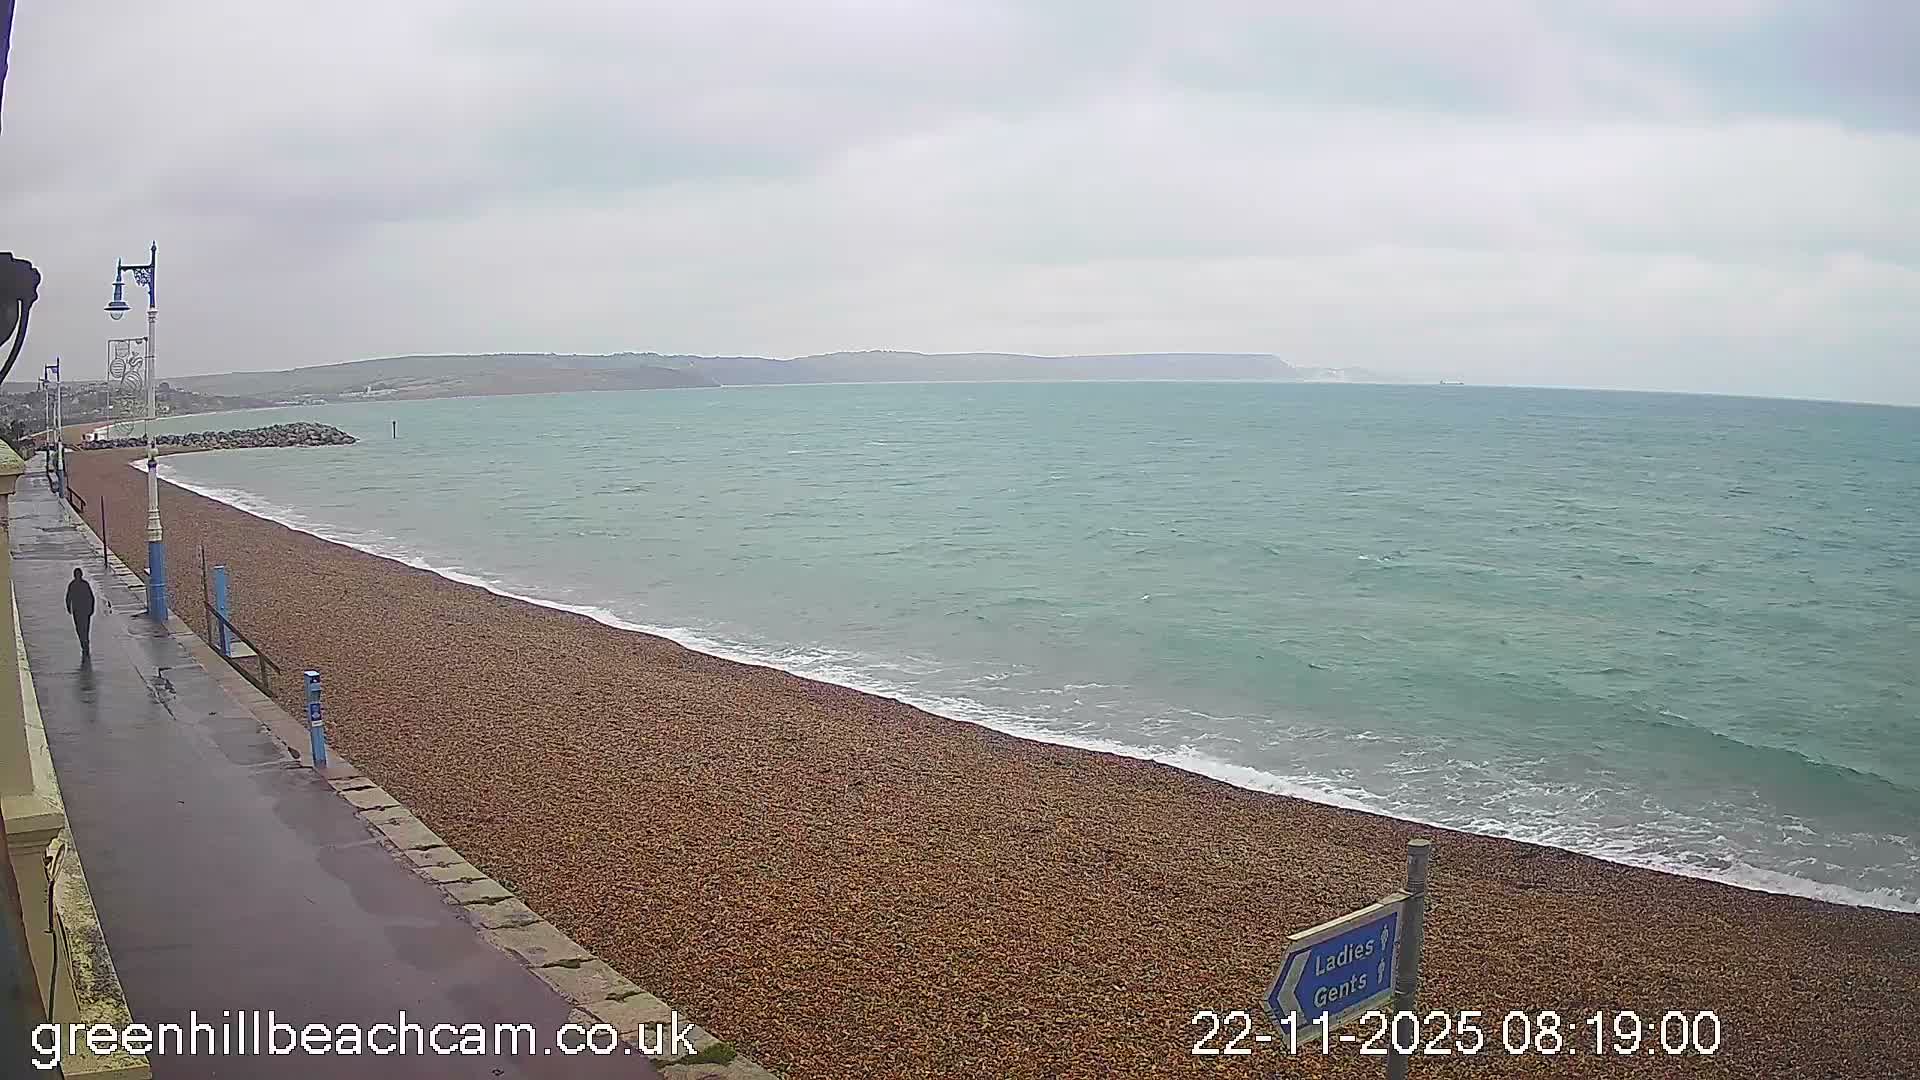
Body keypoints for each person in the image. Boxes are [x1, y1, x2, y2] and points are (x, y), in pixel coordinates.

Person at [65, 568, 94, 659]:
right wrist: (69, 607)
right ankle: (84, 643)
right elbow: (69, 597)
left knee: (82, 628)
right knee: (82, 628)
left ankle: (84, 643)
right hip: (81, 610)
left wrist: (69, 607)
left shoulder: (74, 585)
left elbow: (68, 597)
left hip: (81, 610)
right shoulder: (79, 585)